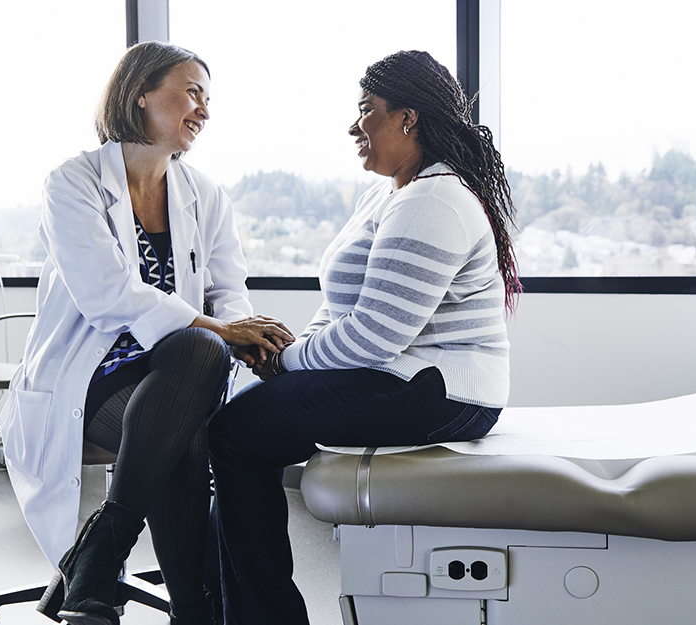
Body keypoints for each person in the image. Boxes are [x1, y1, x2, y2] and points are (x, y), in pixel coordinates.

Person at [206, 49, 520, 625]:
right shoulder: (388, 194)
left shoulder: (434, 200)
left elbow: (374, 337)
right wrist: (288, 353)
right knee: (238, 424)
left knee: (236, 433)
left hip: (443, 390)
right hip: (401, 374)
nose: (354, 126)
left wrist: (286, 363)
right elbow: (341, 308)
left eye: (366, 110)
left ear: (408, 118)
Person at [0, 41, 293, 625]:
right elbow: (107, 294)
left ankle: (104, 550)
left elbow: (229, 289)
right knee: (184, 420)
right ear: (140, 94)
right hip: (91, 372)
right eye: (192, 92)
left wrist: (244, 335)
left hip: (178, 368)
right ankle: (194, 609)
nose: (204, 109)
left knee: (195, 354)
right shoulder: (74, 182)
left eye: (208, 98)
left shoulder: (205, 194)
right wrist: (225, 329)